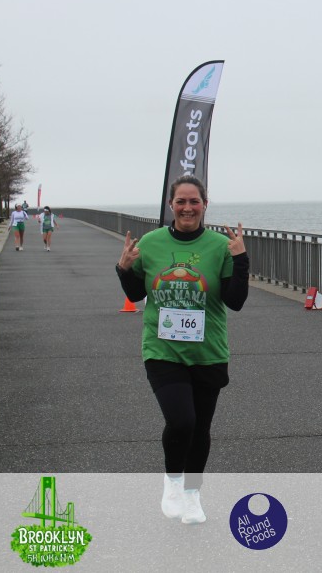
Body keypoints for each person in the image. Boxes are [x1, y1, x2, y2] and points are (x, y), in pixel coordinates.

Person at [115, 174, 249, 525]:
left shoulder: (221, 246)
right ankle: (173, 482)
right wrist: (123, 268)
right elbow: (135, 294)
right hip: (162, 350)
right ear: (170, 205)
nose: (187, 207)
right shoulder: (151, 242)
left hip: (208, 351)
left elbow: (235, 301)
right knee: (182, 420)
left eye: (194, 201)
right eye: (181, 201)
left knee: (200, 427)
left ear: (205, 205)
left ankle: (192, 494)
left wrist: (241, 259)